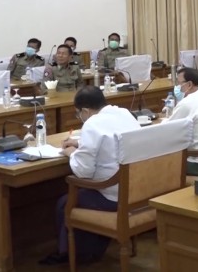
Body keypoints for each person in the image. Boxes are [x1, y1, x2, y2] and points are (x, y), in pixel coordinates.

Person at [40, 86, 141, 266]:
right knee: (81, 197)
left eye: (79, 113)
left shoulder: (92, 124)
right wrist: (80, 143)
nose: (80, 117)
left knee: (64, 203)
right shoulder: (124, 113)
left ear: (85, 111)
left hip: (114, 196)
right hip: (137, 191)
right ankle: (92, 250)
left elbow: (83, 171)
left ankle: (75, 255)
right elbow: (110, 140)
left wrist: (71, 153)